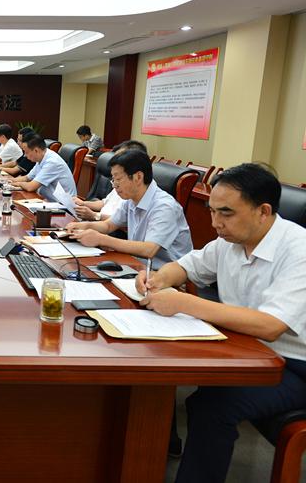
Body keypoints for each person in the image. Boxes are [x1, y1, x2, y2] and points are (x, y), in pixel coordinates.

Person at [135, 163, 306, 483]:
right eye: (212, 211)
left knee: (213, 406)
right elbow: (185, 267)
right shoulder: (231, 240)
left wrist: (185, 303)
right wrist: (158, 279)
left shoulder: (299, 250)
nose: (215, 223)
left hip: (294, 365)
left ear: (263, 211)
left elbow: (271, 326)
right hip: (249, 349)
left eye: (226, 213)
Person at [66, 150, 193, 269]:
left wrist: (101, 239)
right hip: (137, 265)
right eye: (113, 179)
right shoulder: (131, 199)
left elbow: (149, 249)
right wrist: (83, 226)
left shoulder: (164, 206)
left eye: (118, 179)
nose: (115, 185)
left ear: (138, 177)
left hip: (167, 274)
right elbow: (108, 225)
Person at [74, 139, 148, 221]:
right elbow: (105, 203)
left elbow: (121, 223)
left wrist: (95, 216)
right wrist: (83, 203)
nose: (114, 185)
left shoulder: (136, 192)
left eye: (119, 158)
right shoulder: (121, 182)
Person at [8, 135, 77, 201]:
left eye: (26, 152)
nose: (25, 155)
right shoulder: (41, 158)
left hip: (63, 205)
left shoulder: (52, 162)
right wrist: (10, 181)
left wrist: (19, 184)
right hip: (50, 200)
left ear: (36, 150)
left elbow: (31, 187)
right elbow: (27, 178)